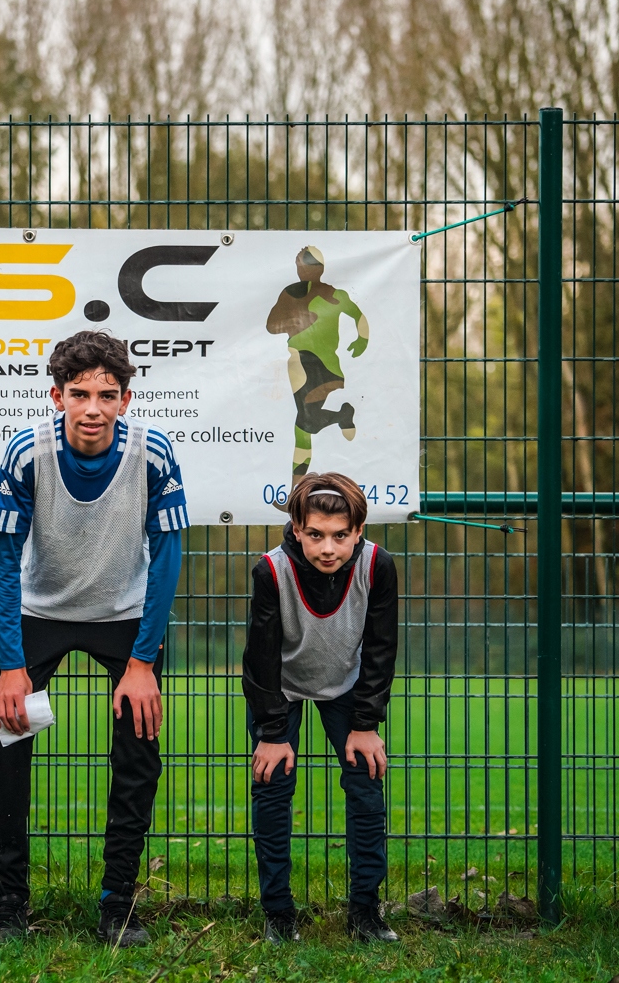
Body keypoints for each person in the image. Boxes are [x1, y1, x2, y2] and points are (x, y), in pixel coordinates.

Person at [0, 330, 189, 946]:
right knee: (6, 750)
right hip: (40, 613)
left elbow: (167, 557)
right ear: (58, 396)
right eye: (79, 394)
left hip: (125, 619)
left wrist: (143, 662)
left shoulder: (153, 453)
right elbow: (3, 561)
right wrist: (12, 665)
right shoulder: (27, 452)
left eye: (107, 394)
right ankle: (9, 903)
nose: (93, 408)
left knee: (138, 756)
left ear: (125, 399)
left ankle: (117, 904)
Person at [242, 472, 400, 944]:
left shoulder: (378, 566)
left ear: (358, 530)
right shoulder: (271, 571)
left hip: (348, 687)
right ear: (296, 528)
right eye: (315, 535)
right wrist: (272, 734)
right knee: (272, 788)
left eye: (340, 536)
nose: (328, 548)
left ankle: (365, 913)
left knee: (366, 786)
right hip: (280, 689)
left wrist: (366, 723)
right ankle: (278, 914)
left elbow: (381, 648)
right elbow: (260, 657)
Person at [264, 246, 369, 501]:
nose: (304, 271)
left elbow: (358, 316)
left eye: (309, 266)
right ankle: (296, 494)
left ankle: (295, 495)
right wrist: (296, 321)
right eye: (301, 266)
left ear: (320, 268)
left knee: (305, 422)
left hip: (328, 366)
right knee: (304, 424)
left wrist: (362, 339)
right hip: (299, 361)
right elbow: (271, 325)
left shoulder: (334, 294)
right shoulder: (290, 293)